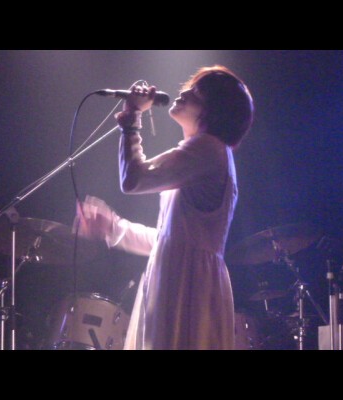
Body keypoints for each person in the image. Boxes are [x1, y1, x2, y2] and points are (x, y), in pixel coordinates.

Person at [76, 65, 254, 350]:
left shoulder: (207, 149)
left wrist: (132, 120)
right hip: (185, 277)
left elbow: (133, 179)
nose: (183, 92)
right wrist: (114, 228)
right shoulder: (208, 152)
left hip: (186, 283)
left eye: (196, 91)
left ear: (214, 109)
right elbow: (169, 240)